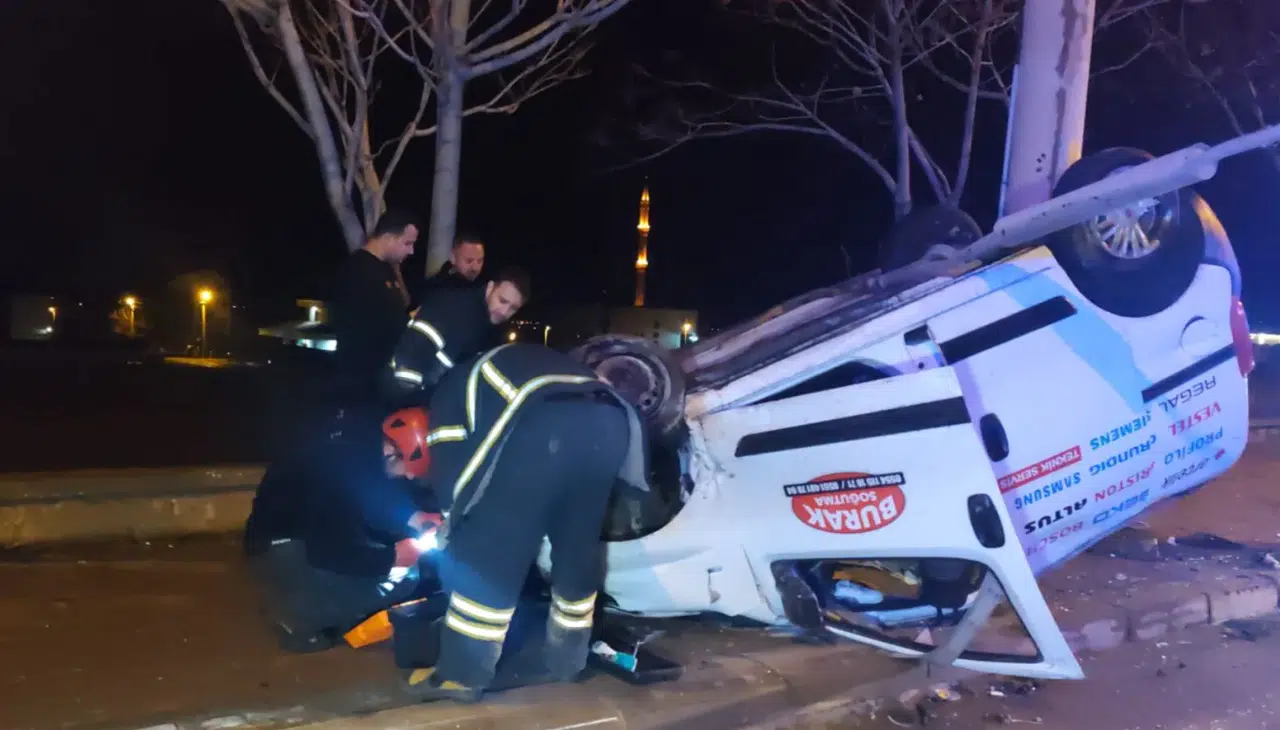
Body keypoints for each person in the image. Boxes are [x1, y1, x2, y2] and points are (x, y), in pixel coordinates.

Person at [399, 343, 651, 703]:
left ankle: (461, 676)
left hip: (548, 428)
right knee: (577, 544)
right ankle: (568, 661)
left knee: (489, 553)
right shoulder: (501, 363)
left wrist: (452, 522)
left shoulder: (445, 395)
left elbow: (455, 471)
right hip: (611, 422)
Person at [245, 407, 442, 652]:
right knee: (406, 578)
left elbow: (374, 498)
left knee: (379, 557)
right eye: (410, 469)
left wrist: (415, 518)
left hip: (275, 548)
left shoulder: (348, 452)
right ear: (393, 452)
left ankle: (292, 601)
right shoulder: (339, 472)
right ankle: (303, 620)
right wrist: (393, 557)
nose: (410, 477)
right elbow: (333, 553)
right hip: (289, 556)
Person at [387, 266, 530, 402]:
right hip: (401, 400)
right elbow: (413, 352)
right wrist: (412, 401)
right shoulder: (456, 308)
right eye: (502, 300)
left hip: (424, 399)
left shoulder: (487, 326)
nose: (504, 312)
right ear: (490, 287)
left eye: (513, 308)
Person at [412, 231, 486, 308]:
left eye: (480, 261)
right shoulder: (432, 289)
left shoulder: (485, 290)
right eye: (469, 261)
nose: (475, 268)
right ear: (453, 258)